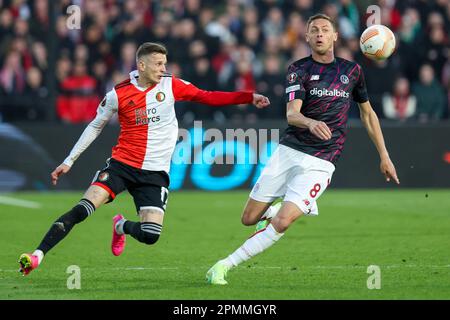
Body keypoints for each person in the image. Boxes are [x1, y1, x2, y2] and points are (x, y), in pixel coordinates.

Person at [18, 42, 270, 276]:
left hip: (154, 173)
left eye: (165, 63)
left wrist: (248, 96)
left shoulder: (171, 85)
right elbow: (95, 126)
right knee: (84, 208)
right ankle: (37, 255)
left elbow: (208, 96)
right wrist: (69, 161)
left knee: (150, 235)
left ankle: (120, 227)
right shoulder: (118, 94)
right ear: (142, 65)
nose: (164, 68)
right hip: (122, 165)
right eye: (159, 64)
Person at [206, 14, 400, 285]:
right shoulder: (298, 69)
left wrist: (384, 156)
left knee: (283, 222)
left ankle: (223, 265)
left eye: (325, 30)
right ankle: (279, 209)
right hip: (290, 150)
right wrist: (311, 122)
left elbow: (368, 114)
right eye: (314, 31)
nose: (319, 34)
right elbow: (292, 114)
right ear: (307, 38)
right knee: (249, 218)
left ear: (335, 36)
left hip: (323, 159)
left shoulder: (352, 72)